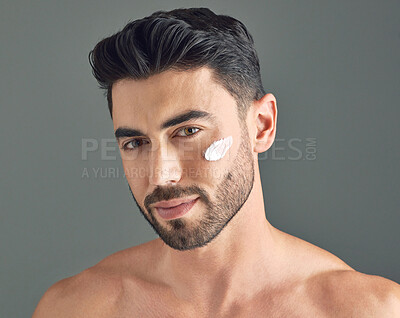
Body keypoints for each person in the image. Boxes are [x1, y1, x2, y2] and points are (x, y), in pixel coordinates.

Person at [33, 7, 400, 317]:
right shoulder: (78, 307)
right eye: (135, 142)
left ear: (261, 125)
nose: (161, 175)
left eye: (188, 132)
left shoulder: (366, 310)